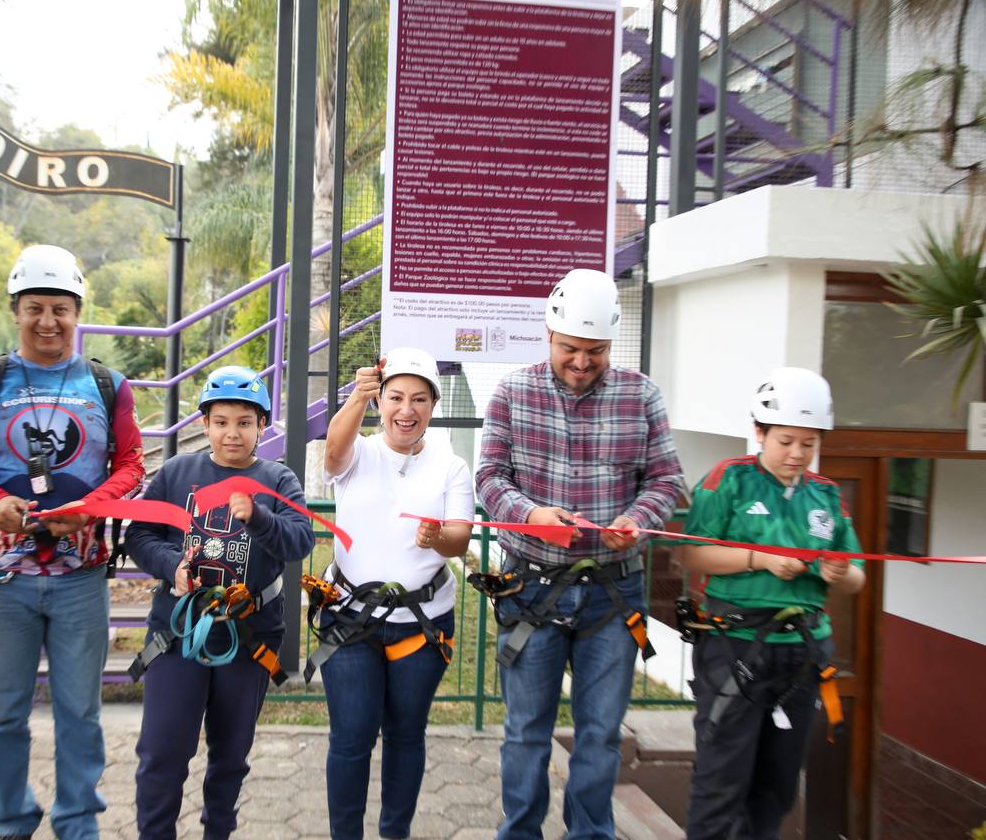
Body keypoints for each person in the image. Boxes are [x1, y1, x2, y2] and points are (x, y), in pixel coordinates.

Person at [0, 244, 145, 840]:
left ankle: (78, 823)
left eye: (60, 308)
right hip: (3, 582)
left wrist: (93, 507)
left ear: (77, 311)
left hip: (80, 581)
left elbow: (131, 464)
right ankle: (12, 822)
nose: (48, 321)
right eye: (34, 308)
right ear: (16, 310)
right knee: (3, 717)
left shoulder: (108, 386)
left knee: (80, 713)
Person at [475, 268, 685, 840]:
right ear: (548, 333)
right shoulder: (513, 393)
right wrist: (530, 516)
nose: (581, 362)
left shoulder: (641, 396)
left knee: (600, 732)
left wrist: (636, 522)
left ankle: (591, 834)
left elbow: (667, 481)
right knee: (525, 730)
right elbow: (490, 478)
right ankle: (520, 832)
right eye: (570, 348)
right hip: (532, 590)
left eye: (595, 351)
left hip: (612, 594)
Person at [125, 364, 315, 840]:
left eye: (245, 422)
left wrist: (259, 517)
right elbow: (141, 533)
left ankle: (218, 833)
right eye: (222, 421)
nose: (233, 433)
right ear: (204, 424)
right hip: (178, 634)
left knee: (230, 756)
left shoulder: (278, 479)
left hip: (247, 635)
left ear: (262, 426)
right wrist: (173, 566)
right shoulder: (175, 473)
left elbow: (299, 541)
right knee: (163, 752)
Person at [680, 367, 865, 840]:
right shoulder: (728, 480)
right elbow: (692, 553)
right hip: (736, 648)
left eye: (808, 442)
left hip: (803, 652)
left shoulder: (825, 495)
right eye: (786, 441)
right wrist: (759, 559)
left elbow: (857, 578)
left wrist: (840, 572)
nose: (797, 454)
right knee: (722, 777)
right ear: (759, 432)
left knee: (780, 783)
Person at [312, 347, 474, 840]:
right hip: (350, 618)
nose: (407, 410)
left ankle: (395, 832)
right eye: (396, 397)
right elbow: (333, 454)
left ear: (432, 406)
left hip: (421, 624)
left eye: (420, 399)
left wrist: (436, 539)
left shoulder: (451, 467)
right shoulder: (361, 451)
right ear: (381, 400)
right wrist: (356, 397)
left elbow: (460, 538)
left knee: (406, 735)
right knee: (352, 737)